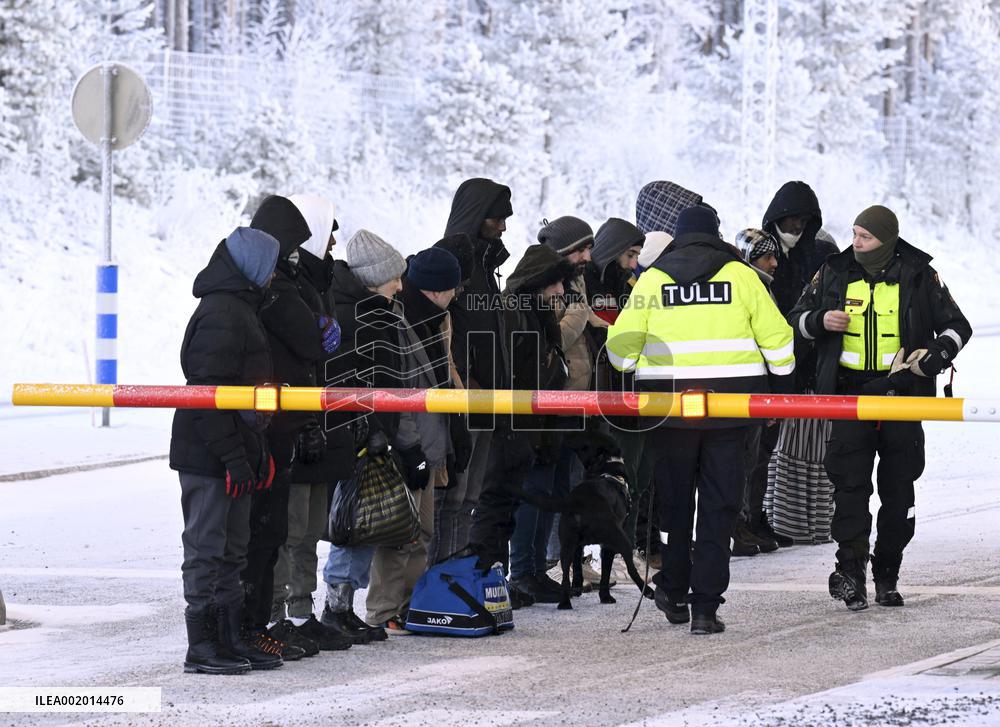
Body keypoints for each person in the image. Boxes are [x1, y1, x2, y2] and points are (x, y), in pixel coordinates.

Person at [607, 205, 795, 634]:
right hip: (731, 413)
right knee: (718, 507)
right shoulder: (742, 277)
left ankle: (672, 590)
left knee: (674, 505)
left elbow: (620, 351)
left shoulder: (652, 280)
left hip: (669, 414)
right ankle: (705, 608)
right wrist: (780, 386)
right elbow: (779, 343)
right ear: (716, 235)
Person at [788, 205, 972, 611]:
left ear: (886, 240)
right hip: (849, 395)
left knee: (897, 488)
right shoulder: (833, 271)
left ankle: (887, 572)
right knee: (849, 486)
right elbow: (794, 319)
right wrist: (819, 321)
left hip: (901, 394)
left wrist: (936, 355)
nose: (856, 243)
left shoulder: (920, 273)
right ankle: (850, 572)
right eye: (854, 234)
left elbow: (959, 326)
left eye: (865, 237)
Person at [169, 226, 283, 674]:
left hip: (234, 450)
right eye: (271, 266)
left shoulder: (241, 308)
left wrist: (255, 453)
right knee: (206, 548)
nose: (276, 275)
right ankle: (202, 645)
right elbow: (206, 394)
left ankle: (229, 638)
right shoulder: (222, 312)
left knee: (234, 549)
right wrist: (236, 457)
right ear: (253, 267)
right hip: (208, 454)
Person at [268, 194, 354, 652]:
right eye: (329, 230)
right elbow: (302, 345)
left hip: (320, 419)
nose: (334, 240)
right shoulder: (288, 282)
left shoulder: (317, 280)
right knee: (291, 528)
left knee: (310, 527)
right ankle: (281, 613)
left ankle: (301, 610)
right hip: (294, 419)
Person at [467, 243, 573, 606]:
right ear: (538, 282)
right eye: (555, 284)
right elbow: (509, 373)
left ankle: (508, 577)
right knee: (497, 504)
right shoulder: (514, 312)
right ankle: (495, 577)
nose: (561, 291)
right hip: (511, 429)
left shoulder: (537, 314)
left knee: (511, 506)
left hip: (531, 428)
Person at [366, 247, 462, 631]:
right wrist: (408, 446)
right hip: (410, 444)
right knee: (399, 533)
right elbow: (399, 391)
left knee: (422, 532)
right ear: (439, 290)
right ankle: (382, 611)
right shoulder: (400, 321)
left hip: (432, 439)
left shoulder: (437, 321)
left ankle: (409, 605)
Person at [320, 229, 407, 643]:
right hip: (356, 434)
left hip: (372, 432)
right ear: (375, 278)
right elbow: (352, 379)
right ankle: (335, 607)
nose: (400, 286)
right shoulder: (356, 316)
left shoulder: (372, 310)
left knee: (366, 523)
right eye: (395, 278)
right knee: (353, 523)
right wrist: (370, 429)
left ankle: (343, 606)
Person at [242, 195, 319, 661]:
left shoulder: (279, 286)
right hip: (267, 425)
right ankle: (255, 625)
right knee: (264, 534)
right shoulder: (271, 293)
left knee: (271, 536)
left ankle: (258, 625)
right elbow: (309, 340)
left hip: (281, 421)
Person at [507, 217, 593, 602]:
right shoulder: (526, 300)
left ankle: (538, 568)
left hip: (567, 403)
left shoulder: (571, 286)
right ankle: (524, 569)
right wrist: (579, 312)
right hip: (539, 409)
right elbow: (557, 336)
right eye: (580, 249)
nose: (587, 257)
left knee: (556, 489)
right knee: (535, 490)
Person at [752, 182, 840, 548]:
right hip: (766, 362)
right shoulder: (758, 251)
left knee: (808, 450)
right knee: (764, 451)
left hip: (808, 362)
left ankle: (800, 521)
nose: (796, 225)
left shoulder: (820, 253)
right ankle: (760, 517)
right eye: (790, 218)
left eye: (803, 219)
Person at [439, 179, 514, 557]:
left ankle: (459, 577)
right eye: (495, 219)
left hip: (489, 394)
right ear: (476, 217)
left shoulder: (487, 268)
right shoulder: (451, 262)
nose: (502, 227)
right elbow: (445, 327)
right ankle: (441, 577)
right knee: (454, 495)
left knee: (471, 495)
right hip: (464, 393)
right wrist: (464, 375)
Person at [731, 228, 782, 557]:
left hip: (757, 391)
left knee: (757, 460)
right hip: (749, 391)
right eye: (767, 256)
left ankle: (748, 521)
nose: (774, 263)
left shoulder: (761, 286)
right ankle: (739, 525)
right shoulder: (750, 289)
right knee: (745, 462)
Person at [427, 233, 475, 565]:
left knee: (456, 501)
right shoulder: (428, 314)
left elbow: (448, 363)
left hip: (454, 406)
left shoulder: (444, 313)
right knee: (439, 504)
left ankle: (448, 575)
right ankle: (431, 581)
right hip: (431, 417)